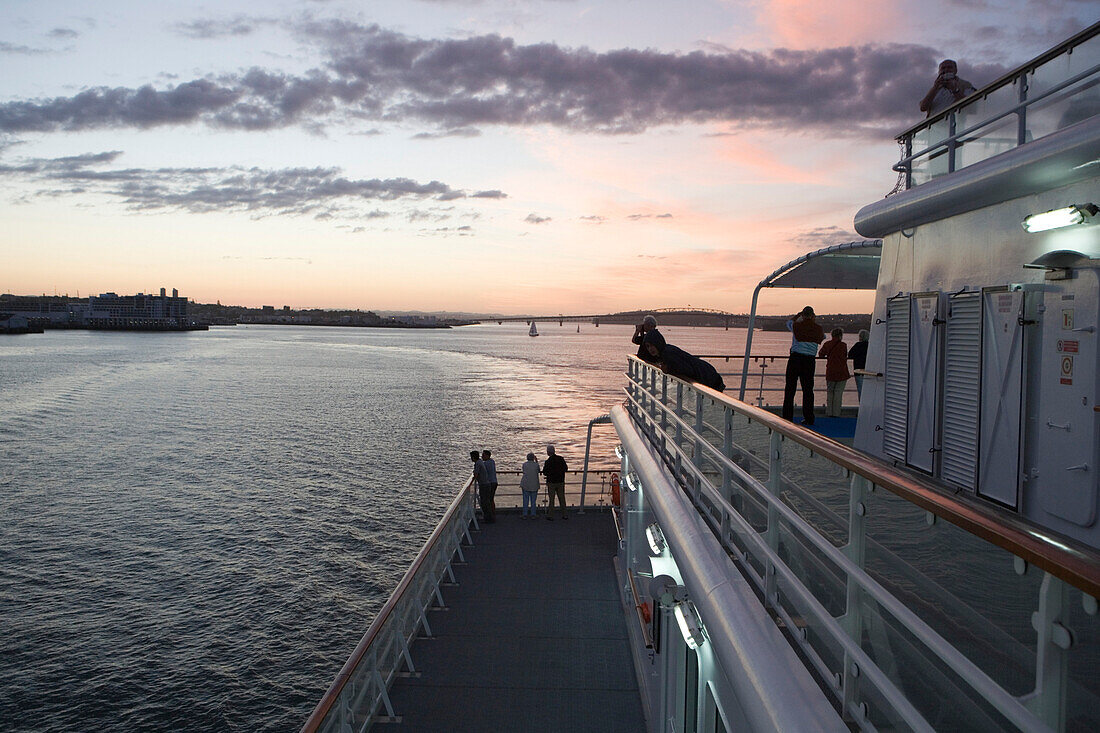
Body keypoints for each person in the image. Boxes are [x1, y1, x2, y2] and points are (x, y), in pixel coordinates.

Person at [782, 306, 824, 425]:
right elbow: (822, 337)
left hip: (795, 359)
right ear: (813, 316)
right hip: (809, 361)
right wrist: (813, 321)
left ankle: (787, 417)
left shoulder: (796, 326)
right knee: (808, 390)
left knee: (790, 389)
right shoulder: (818, 329)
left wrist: (797, 315)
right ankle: (809, 418)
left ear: (803, 315)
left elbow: (789, 322)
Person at [644, 339, 725, 392]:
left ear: (657, 343)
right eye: (648, 346)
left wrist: (668, 370)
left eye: (652, 345)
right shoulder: (665, 351)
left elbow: (688, 370)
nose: (650, 349)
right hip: (707, 374)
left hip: (709, 377)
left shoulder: (667, 354)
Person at [819, 328, 851, 417]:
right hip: (842, 371)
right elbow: (845, 355)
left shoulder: (827, 344)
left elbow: (821, 354)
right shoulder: (843, 345)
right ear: (841, 335)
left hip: (831, 371)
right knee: (838, 393)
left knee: (830, 392)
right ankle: (836, 413)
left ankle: (829, 412)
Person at [543, 445, 568, 520]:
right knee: (562, 498)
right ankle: (565, 514)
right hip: (560, 481)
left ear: (548, 452)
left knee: (551, 499)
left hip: (551, 482)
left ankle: (551, 515)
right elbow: (566, 469)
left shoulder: (548, 461)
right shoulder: (561, 459)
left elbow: (545, 472)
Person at [849, 329, 870, 399]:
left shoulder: (858, 345)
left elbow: (850, 354)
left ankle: (862, 406)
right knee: (868, 390)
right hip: (869, 371)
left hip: (858, 371)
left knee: (860, 390)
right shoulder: (870, 346)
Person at [520, 452, 541, 519]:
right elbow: (539, 471)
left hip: (525, 483)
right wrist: (536, 461)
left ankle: (525, 514)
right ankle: (533, 514)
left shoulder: (524, 464)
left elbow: (524, 471)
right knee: (533, 500)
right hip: (534, 484)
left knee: (525, 500)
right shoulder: (536, 465)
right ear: (533, 458)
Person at [480, 450, 498, 522]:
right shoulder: (492, 461)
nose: (482, 457)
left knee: (487, 500)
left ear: (487, 456)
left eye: (483, 455)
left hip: (489, 483)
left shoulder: (486, 464)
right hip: (494, 482)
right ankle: (493, 514)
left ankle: (489, 516)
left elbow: (482, 472)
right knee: (491, 499)